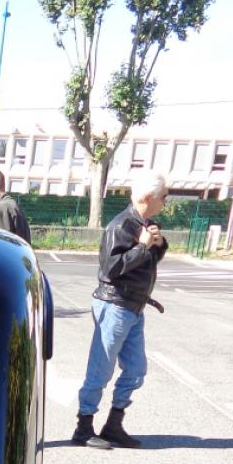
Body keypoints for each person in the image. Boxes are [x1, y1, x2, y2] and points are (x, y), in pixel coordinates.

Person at [72, 174, 169, 449]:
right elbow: (111, 269)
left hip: (134, 307)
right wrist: (142, 246)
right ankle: (84, 426)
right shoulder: (122, 225)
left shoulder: (145, 224)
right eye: (163, 197)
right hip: (115, 305)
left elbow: (145, 261)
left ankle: (114, 424)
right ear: (147, 198)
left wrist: (157, 246)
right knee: (100, 370)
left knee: (136, 369)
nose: (165, 202)